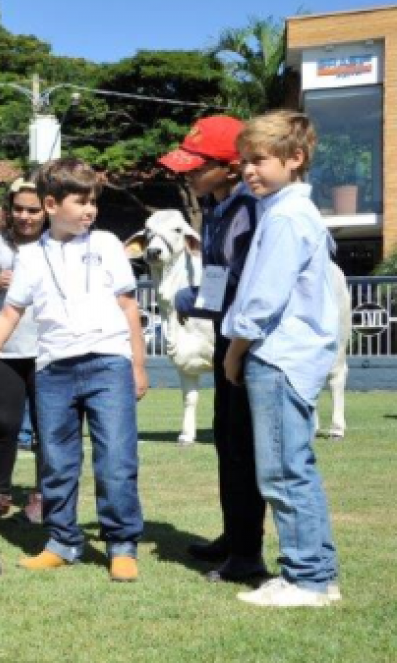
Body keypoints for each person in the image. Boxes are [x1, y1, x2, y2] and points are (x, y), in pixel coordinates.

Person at [0, 158, 147, 583]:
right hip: (54, 371)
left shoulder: (109, 243)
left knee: (115, 457)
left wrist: (138, 365)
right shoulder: (30, 257)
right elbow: (8, 316)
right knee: (57, 462)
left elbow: (129, 306)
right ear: (52, 204)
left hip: (108, 363)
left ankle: (122, 545)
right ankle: (62, 542)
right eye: (80, 201)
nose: (90, 210)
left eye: (93, 201)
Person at [222, 111, 341, 607]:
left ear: (295, 159)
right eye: (244, 161)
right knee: (295, 465)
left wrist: (234, 351)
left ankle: (306, 579)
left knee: (283, 471)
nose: (249, 170)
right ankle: (319, 572)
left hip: (279, 357)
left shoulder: (288, 217)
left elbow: (262, 299)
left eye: (259, 160)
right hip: (293, 356)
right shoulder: (288, 212)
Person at [159, 116, 268, 584]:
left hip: (249, 343)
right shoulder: (219, 206)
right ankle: (234, 537)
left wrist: (191, 299)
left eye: (197, 165)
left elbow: (245, 282)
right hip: (227, 335)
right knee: (227, 443)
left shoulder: (249, 207)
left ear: (229, 166)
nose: (187, 173)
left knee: (243, 448)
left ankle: (248, 555)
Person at [0, 177, 46, 521]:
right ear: (9, 209)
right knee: (5, 422)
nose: (26, 216)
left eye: (33, 209)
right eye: (19, 209)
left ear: (47, 209)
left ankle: (43, 494)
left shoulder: (55, 241)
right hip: (7, 349)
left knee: (48, 426)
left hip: (48, 348)